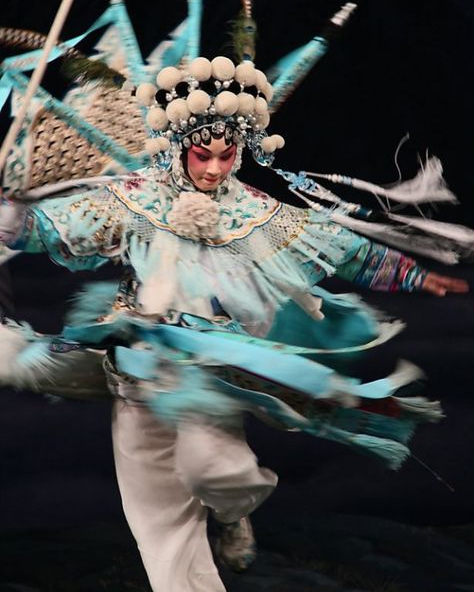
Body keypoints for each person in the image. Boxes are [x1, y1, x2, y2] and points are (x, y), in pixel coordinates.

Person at [0, 52, 470, 592]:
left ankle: (230, 511)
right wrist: (14, 221)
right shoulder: (134, 200)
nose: (215, 168)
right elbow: (60, 225)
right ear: (180, 148)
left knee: (221, 473)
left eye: (227, 156)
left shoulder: (253, 210)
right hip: (135, 361)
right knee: (157, 513)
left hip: (209, 369)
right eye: (203, 155)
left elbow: (338, 244)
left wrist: (412, 276)